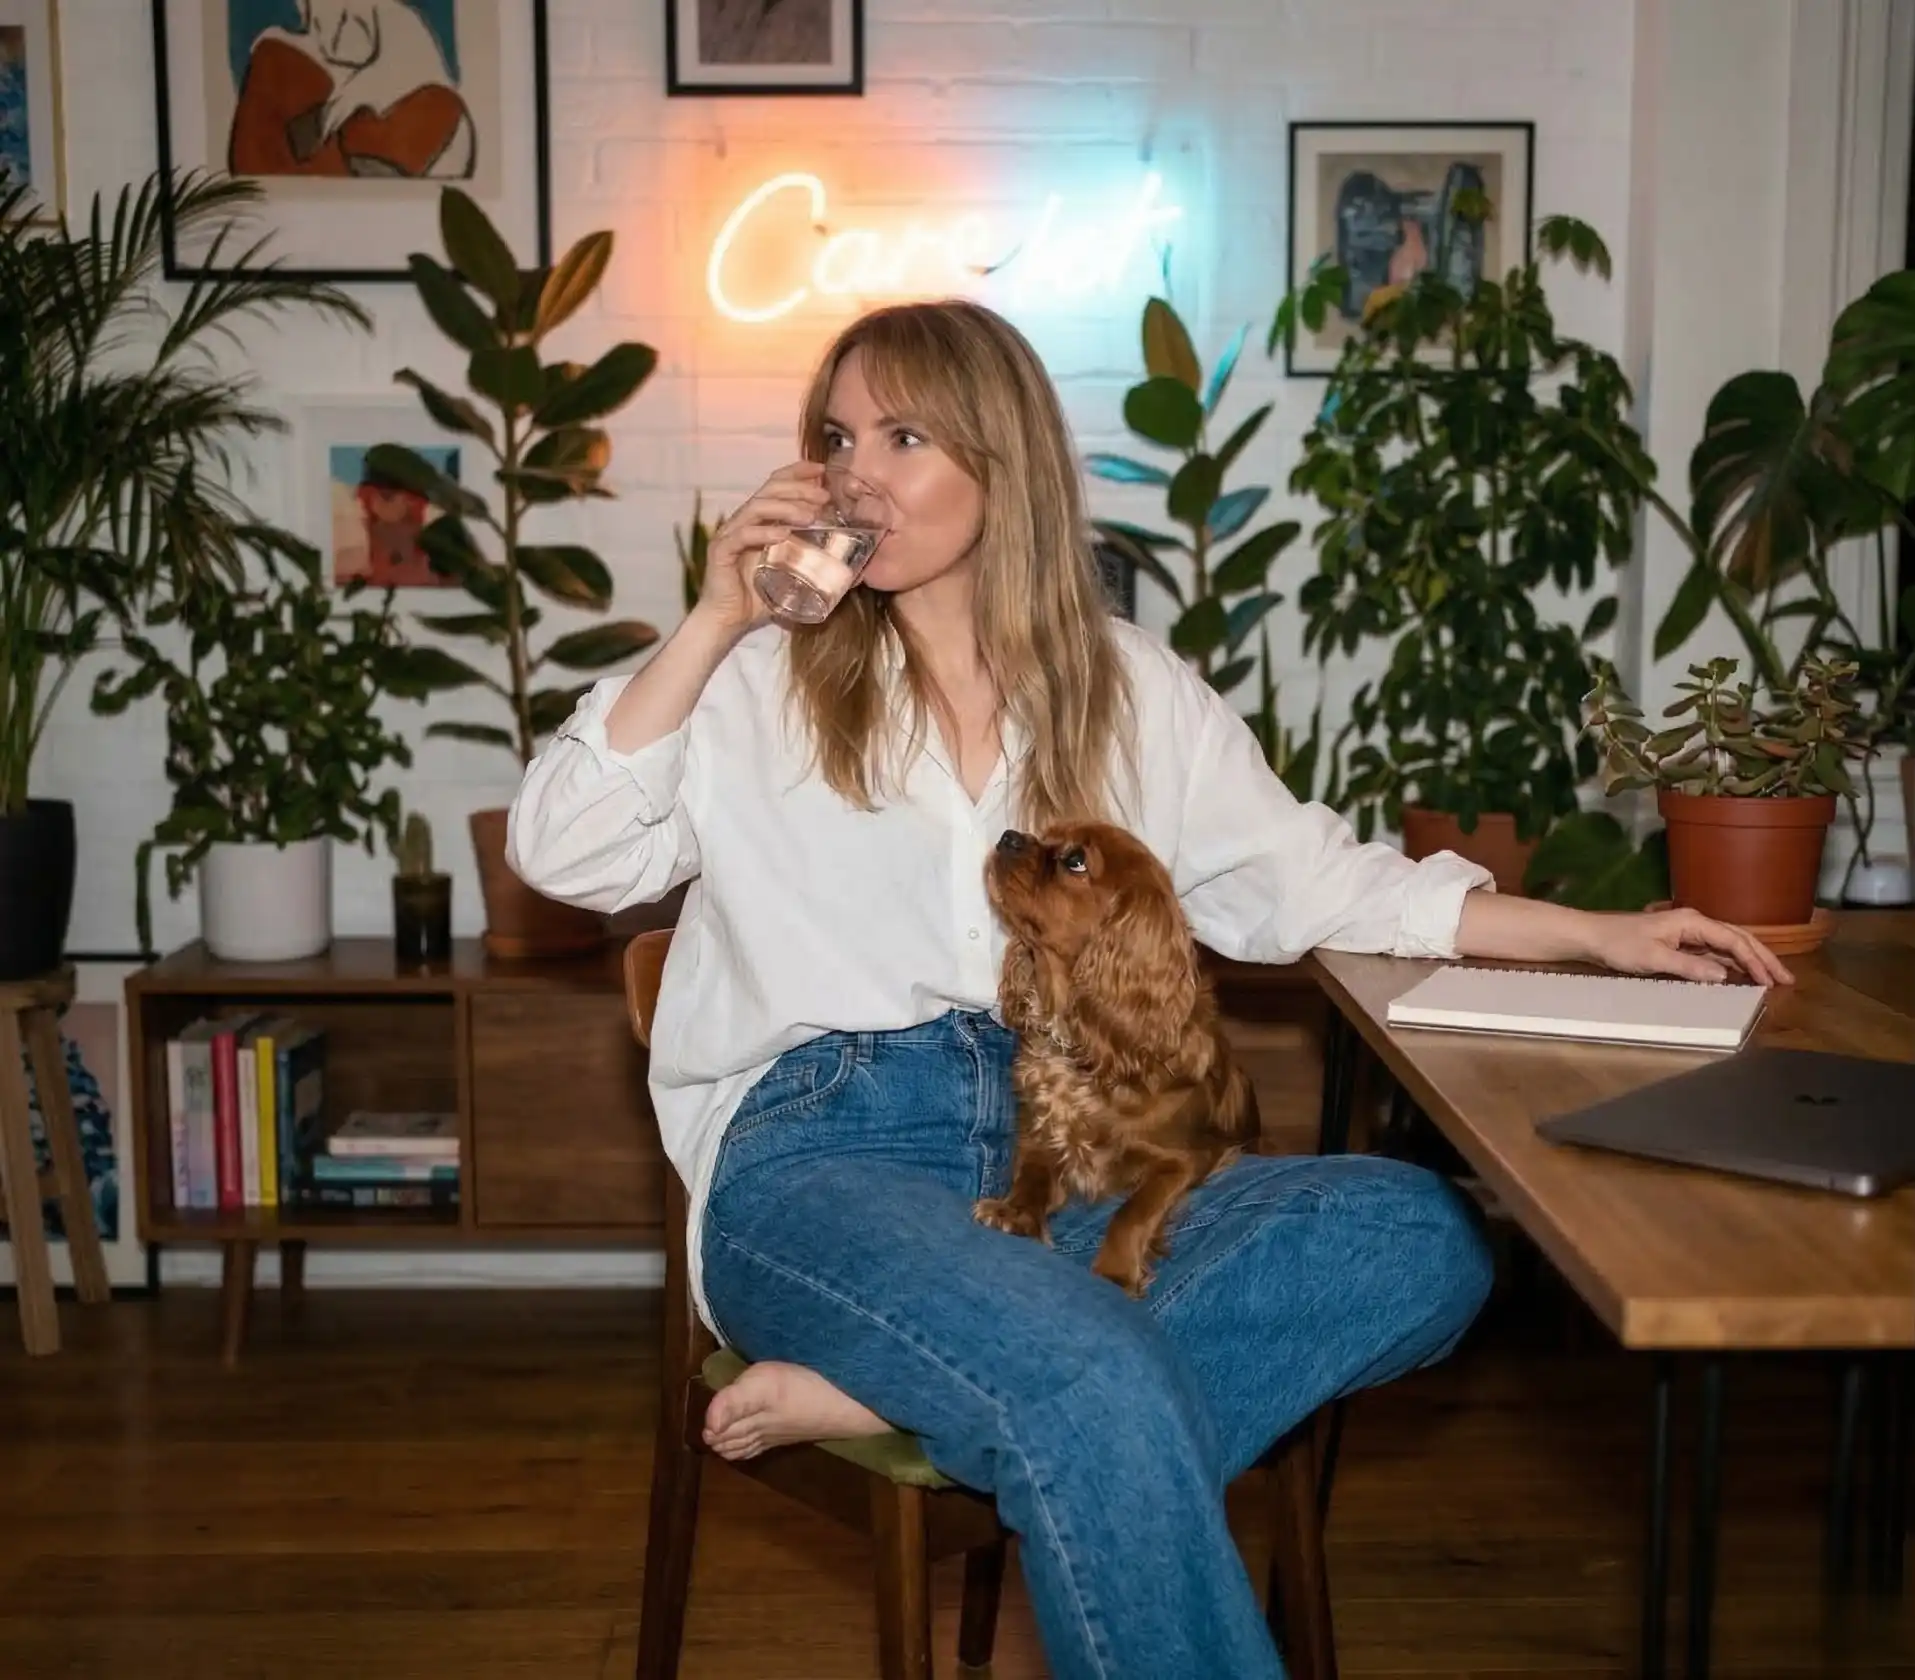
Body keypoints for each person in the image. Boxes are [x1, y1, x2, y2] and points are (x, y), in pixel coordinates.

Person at [505, 298, 1790, 1679]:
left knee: (1413, 1237)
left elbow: (1322, 882)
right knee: (1091, 1374)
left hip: (1074, 1159)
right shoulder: (756, 681)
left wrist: (1597, 934)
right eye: (836, 436)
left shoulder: (1129, 690)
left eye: (903, 436)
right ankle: (1014, 1378)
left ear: (1002, 462)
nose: (853, 473)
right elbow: (563, 855)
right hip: (825, 1155)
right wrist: (711, 618)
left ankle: (921, 1390)